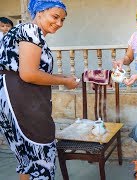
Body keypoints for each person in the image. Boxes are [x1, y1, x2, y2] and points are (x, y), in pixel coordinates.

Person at [0, 0, 79, 179]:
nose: (59, 23)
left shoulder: (21, 31)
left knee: (27, 163)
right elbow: (28, 74)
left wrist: (64, 78)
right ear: (40, 12)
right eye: (55, 16)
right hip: (23, 102)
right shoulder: (31, 30)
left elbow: (29, 69)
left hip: (11, 100)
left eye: (63, 20)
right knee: (42, 159)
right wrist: (64, 82)